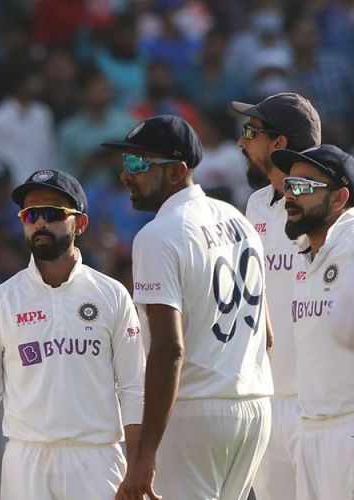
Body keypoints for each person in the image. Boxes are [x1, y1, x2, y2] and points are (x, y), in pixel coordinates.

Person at [103, 115, 273, 500]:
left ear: (178, 172)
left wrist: (144, 456)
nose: (126, 176)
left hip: (196, 413)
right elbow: (268, 334)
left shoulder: (157, 236)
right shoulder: (239, 220)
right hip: (255, 405)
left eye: (137, 164)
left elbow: (169, 350)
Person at [0, 169, 145, 499]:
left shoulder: (111, 294)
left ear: (80, 224)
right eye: (30, 215)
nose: (39, 223)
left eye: (51, 214)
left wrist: (137, 466)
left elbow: (134, 387)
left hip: (97, 457)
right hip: (26, 459)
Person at [232, 92, 322, 500]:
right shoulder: (254, 205)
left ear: (279, 143)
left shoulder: (330, 207)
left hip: (321, 405)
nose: (241, 142)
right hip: (267, 397)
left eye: (251, 132)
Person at [270, 144, 354, 500]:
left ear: (339, 198)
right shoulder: (304, 250)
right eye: (289, 185)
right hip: (310, 429)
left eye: (304, 187)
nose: (290, 195)